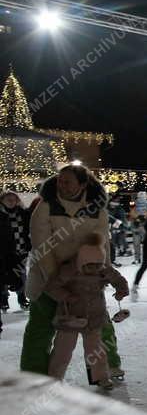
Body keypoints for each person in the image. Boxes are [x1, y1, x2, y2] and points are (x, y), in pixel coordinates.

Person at [21, 164, 125, 382]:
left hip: (88, 279)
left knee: (98, 324)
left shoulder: (97, 209)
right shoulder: (46, 206)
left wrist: (103, 272)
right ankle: (34, 373)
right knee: (41, 327)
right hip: (47, 278)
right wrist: (57, 281)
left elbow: (102, 243)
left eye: (68, 181)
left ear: (82, 184)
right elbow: (42, 247)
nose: (62, 184)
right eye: (60, 180)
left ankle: (110, 366)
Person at [45, 233, 129, 389]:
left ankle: (101, 377)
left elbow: (118, 280)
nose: (95, 269)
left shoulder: (103, 270)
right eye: (90, 265)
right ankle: (54, 378)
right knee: (63, 350)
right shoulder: (68, 270)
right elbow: (52, 286)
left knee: (96, 351)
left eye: (98, 265)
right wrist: (67, 296)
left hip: (94, 317)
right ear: (81, 261)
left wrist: (121, 291)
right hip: (70, 318)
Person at [1, 189, 31, 312]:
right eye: (8, 200)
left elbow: (29, 230)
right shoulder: (1, 214)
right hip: (4, 251)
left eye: (13, 200)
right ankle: (3, 299)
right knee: (3, 275)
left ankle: (21, 297)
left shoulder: (23, 213)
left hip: (21, 249)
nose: (11, 202)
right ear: (2, 201)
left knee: (21, 274)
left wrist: (29, 245)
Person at [130, 191, 147, 264]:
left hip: (140, 226)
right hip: (141, 226)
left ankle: (139, 259)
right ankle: (145, 258)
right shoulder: (134, 204)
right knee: (145, 244)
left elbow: (132, 215)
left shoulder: (134, 204)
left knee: (138, 244)